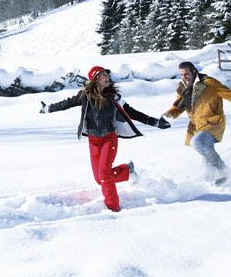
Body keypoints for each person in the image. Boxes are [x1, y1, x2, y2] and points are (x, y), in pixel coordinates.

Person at [40, 65, 170, 212]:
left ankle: (113, 208)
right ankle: (127, 170)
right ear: (95, 79)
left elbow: (132, 112)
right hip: (93, 141)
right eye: (103, 75)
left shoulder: (114, 97)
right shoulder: (85, 95)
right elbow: (66, 103)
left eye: (107, 75)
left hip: (109, 138)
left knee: (104, 175)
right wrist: (48, 108)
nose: (107, 77)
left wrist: (155, 122)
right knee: (99, 179)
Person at [164, 61, 231, 185]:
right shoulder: (183, 88)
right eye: (181, 74)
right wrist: (167, 116)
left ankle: (224, 171)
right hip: (197, 126)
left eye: (186, 74)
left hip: (213, 123)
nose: (184, 77)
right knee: (205, 151)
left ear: (194, 71)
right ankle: (212, 181)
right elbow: (178, 107)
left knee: (197, 142)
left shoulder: (210, 83)